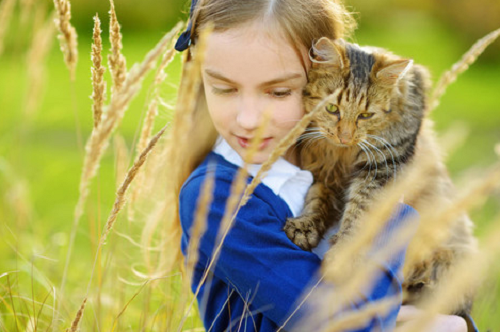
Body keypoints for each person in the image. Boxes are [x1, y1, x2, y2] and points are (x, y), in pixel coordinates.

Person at [171, 0, 476, 331]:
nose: (249, 120)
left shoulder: (343, 151)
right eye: (224, 88)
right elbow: (345, 324)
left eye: (278, 92)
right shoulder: (216, 197)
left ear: (322, 75)